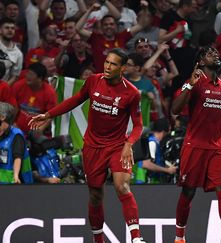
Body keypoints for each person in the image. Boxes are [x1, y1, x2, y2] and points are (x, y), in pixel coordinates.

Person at [28, 48, 146, 243]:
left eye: (113, 64)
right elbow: (75, 100)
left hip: (117, 146)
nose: (108, 67)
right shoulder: (94, 81)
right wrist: (48, 114)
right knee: (95, 195)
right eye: (106, 62)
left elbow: (138, 125)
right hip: (93, 147)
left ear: (123, 68)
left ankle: (136, 238)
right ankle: (98, 239)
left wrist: (128, 144)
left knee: (122, 186)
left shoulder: (132, 93)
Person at [171, 46, 221, 243]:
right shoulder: (195, 83)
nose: (216, 54)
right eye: (209, 53)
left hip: (217, 147)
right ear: (201, 62)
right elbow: (175, 109)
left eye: (216, 52)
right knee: (188, 191)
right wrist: (190, 84)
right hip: (195, 145)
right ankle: (179, 237)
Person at [0, 102, 33, 184]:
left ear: (2, 117)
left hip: (18, 182)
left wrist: (16, 175)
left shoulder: (16, 135)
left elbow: (17, 158)